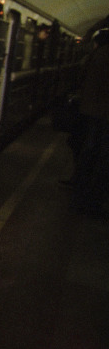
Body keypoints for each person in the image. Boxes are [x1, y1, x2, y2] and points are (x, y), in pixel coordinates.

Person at [72, 21, 109, 218]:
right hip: (103, 114)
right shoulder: (105, 56)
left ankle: (80, 192)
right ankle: (90, 201)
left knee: (89, 150)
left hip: (92, 110)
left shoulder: (96, 55)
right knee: (100, 155)